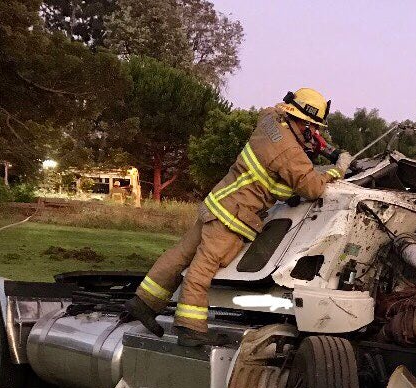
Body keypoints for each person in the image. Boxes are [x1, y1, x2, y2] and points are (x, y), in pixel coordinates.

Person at [123, 88, 353, 347]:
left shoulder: (268, 122)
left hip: (217, 201)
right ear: (306, 124)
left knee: (180, 255)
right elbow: (312, 187)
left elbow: (273, 176)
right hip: (232, 215)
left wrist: (314, 146)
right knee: (203, 269)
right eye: (314, 128)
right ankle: (190, 327)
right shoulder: (289, 153)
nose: (316, 134)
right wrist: (337, 169)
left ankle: (143, 303)